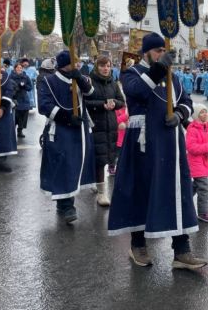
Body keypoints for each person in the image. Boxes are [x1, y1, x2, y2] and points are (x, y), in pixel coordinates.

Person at [108, 32, 206, 270]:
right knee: (141, 191)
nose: (162, 55)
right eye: (157, 51)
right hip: (142, 143)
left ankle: (182, 251)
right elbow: (138, 92)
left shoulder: (172, 76)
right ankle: (138, 245)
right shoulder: (130, 72)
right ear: (147, 52)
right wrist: (159, 69)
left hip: (170, 142)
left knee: (176, 193)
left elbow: (187, 101)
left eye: (164, 51)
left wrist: (181, 114)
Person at [38, 50, 96, 223]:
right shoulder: (49, 81)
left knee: (75, 165)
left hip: (80, 128)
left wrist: (79, 77)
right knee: (63, 165)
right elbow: (44, 106)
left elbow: (91, 93)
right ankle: (65, 206)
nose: (77, 65)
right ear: (65, 64)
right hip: (61, 128)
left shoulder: (78, 78)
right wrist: (67, 118)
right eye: (75, 62)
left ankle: (66, 202)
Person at [85, 56, 126, 206]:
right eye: (102, 66)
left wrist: (114, 103)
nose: (105, 68)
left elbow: (121, 101)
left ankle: (98, 185)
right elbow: (85, 102)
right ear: (97, 67)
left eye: (108, 66)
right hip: (95, 125)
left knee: (108, 157)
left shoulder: (113, 83)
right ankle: (102, 193)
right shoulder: (90, 82)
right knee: (99, 160)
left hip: (111, 125)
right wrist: (102, 104)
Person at [185, 103, 208, 223]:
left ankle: (182, 198)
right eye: (201, 112)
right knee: (204, 188)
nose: (205, 114)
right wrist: (207, 147)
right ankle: (203, 213)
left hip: (205, 163)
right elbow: (191, 147)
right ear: (196, 115)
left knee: (197, 185)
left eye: (205, 111)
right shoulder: (192, 129)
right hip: (196, 164)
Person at [10, 63, 32, 139]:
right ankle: (12, 131)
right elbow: (9, 86)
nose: (19, 69)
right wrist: (16, 87)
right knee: (15, 115)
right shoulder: (11, 77)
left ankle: (20, 130)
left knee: (23, 115)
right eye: (18, 68)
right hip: (15, 98)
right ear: (15, 69)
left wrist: (24, 86)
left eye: (20, 68)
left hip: (24, 98)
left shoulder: (25, 77)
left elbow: (30, 87)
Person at [112, 104, 128, 176]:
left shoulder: (128, 108)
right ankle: (112, 166)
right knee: (115, 154)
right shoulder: (116, 109)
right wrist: (126, 116)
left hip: (126, 137)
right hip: (117, 138)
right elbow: (114, 120)